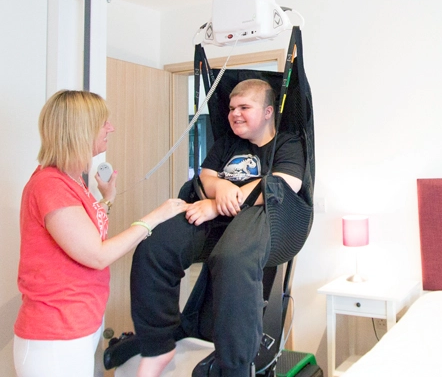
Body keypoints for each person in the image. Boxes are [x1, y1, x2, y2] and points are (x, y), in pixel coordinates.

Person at [130, 78, 305, 377]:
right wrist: (220, 186)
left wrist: (218, 203)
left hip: (265, 224)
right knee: (154, 247)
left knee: (232, 260)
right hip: (216, 224)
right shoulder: (226, 144)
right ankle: (158, 344)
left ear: (267, 112)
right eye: (231, 108)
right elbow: (206, 177)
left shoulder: (288, 144)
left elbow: (285, 185)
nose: (235, 113)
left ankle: (235, 366)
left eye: (244, 107)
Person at [13, 90, 187, 377]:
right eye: (103, 122)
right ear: (80, 130)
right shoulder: (49, 185)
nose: (111, 128)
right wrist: (156, 217)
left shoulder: (71, 180)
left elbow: (83, 232)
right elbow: (96, 255)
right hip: (54, 336)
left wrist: (106, 199)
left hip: (78, 326)